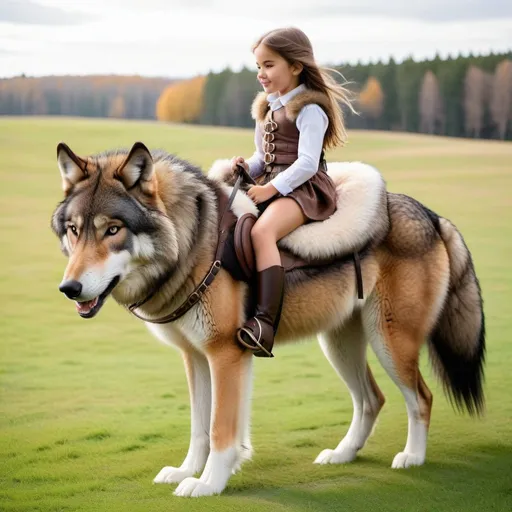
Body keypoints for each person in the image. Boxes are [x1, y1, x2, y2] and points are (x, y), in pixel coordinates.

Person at [232, 27, 355, 357]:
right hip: (273, 184)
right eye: (258, 66)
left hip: (304, 190)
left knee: (262, 232)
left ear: (296, 66)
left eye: (269, 65)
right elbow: (264, 157)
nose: (261, 74)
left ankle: (264, 323)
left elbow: (307, 163)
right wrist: (248, 169)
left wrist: (270, 188)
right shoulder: (268, 108)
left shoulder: (309, 109)